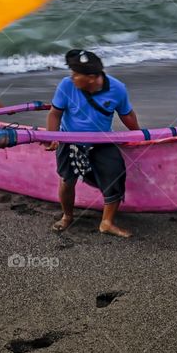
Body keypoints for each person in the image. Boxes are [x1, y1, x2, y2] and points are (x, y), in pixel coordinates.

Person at [46, 49, 140, 238]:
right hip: (69, 138)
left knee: (116, 174)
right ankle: (67, 216)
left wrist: (139, 135)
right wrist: (53, 136)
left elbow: (127, 114)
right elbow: (55, 113)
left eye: (75, 74)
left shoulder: (117, 88)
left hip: (101, 140)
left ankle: (106, 223)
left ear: (91, 77)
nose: (71, 77)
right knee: (66, 180)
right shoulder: (66, 85)